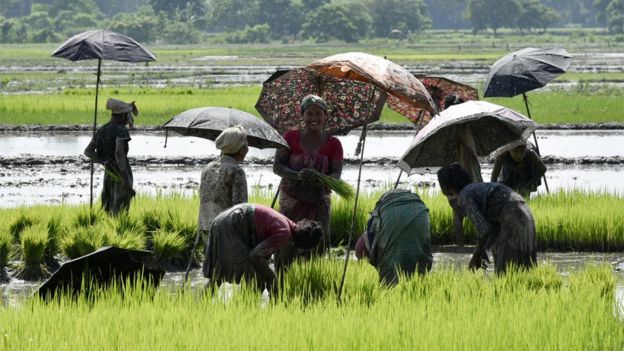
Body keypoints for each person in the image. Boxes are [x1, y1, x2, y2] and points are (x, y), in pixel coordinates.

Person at [273, 94, 343, 264]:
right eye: (309, 114)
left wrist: (321, 179)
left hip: (319, 202)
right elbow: (277, 167)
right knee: (286, 241)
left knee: (317, 244)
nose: (314, 118)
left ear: (325, 116)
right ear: (302, 115)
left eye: (318, 114)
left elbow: (336, 175)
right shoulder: (290, 137)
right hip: (292, 202)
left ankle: (310, 281)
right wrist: (297, 176)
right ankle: (281, 282)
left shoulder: (334, 144)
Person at [437, 164, 537, 274]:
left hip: (512, 217)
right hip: (526, 215)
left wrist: (476, 255)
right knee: (525, 271)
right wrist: (483, 249)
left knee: (505, 274)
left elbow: (484, 230)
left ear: (445, 188)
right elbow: (493, 228)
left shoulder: (465, 195)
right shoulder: (476, 189)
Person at [202, 203, 323, 294]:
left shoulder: (287, 223)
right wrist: (272, 277)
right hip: (232, 224)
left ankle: (201, 306)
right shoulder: (284, 234)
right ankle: (245, 314)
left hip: (222, 220)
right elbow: (255, 255)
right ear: (302, 246)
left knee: (218, 275)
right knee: (258, 280)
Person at [198, 126, 249, 276]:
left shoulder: (208, 167)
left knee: (216, 272)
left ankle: (205, 297)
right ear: (241, 149)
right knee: (247, 270)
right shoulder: (236, 171)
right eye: (246, 145)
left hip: (205, 226)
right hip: (226, 230)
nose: (247, 149)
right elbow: (240, 209)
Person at [355, 189, 433, 285]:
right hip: (420, 212)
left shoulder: (378, 215)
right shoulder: (416, 206)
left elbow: (365, 241)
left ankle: (386, 278)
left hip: (389, 264)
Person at [84, 98, 138, 215]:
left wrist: (104, 162)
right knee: (120, 211)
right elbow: (119, 153)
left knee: (107, 209)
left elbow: (88, 151)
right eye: (127, 116)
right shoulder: (121, 130)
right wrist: (125, 180)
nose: (128, 120)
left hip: (108, 174)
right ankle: (120, 232)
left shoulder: (102, 130)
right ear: (123, 116)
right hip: (120, 175)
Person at [444, 94, 483, 247]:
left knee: (458, 213)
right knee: (476, 213)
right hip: (466, 174)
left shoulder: (445, 126)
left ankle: (461, 249)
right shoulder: (464, 126)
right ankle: (481, 250)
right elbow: (472, 151)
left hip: (452, 175)